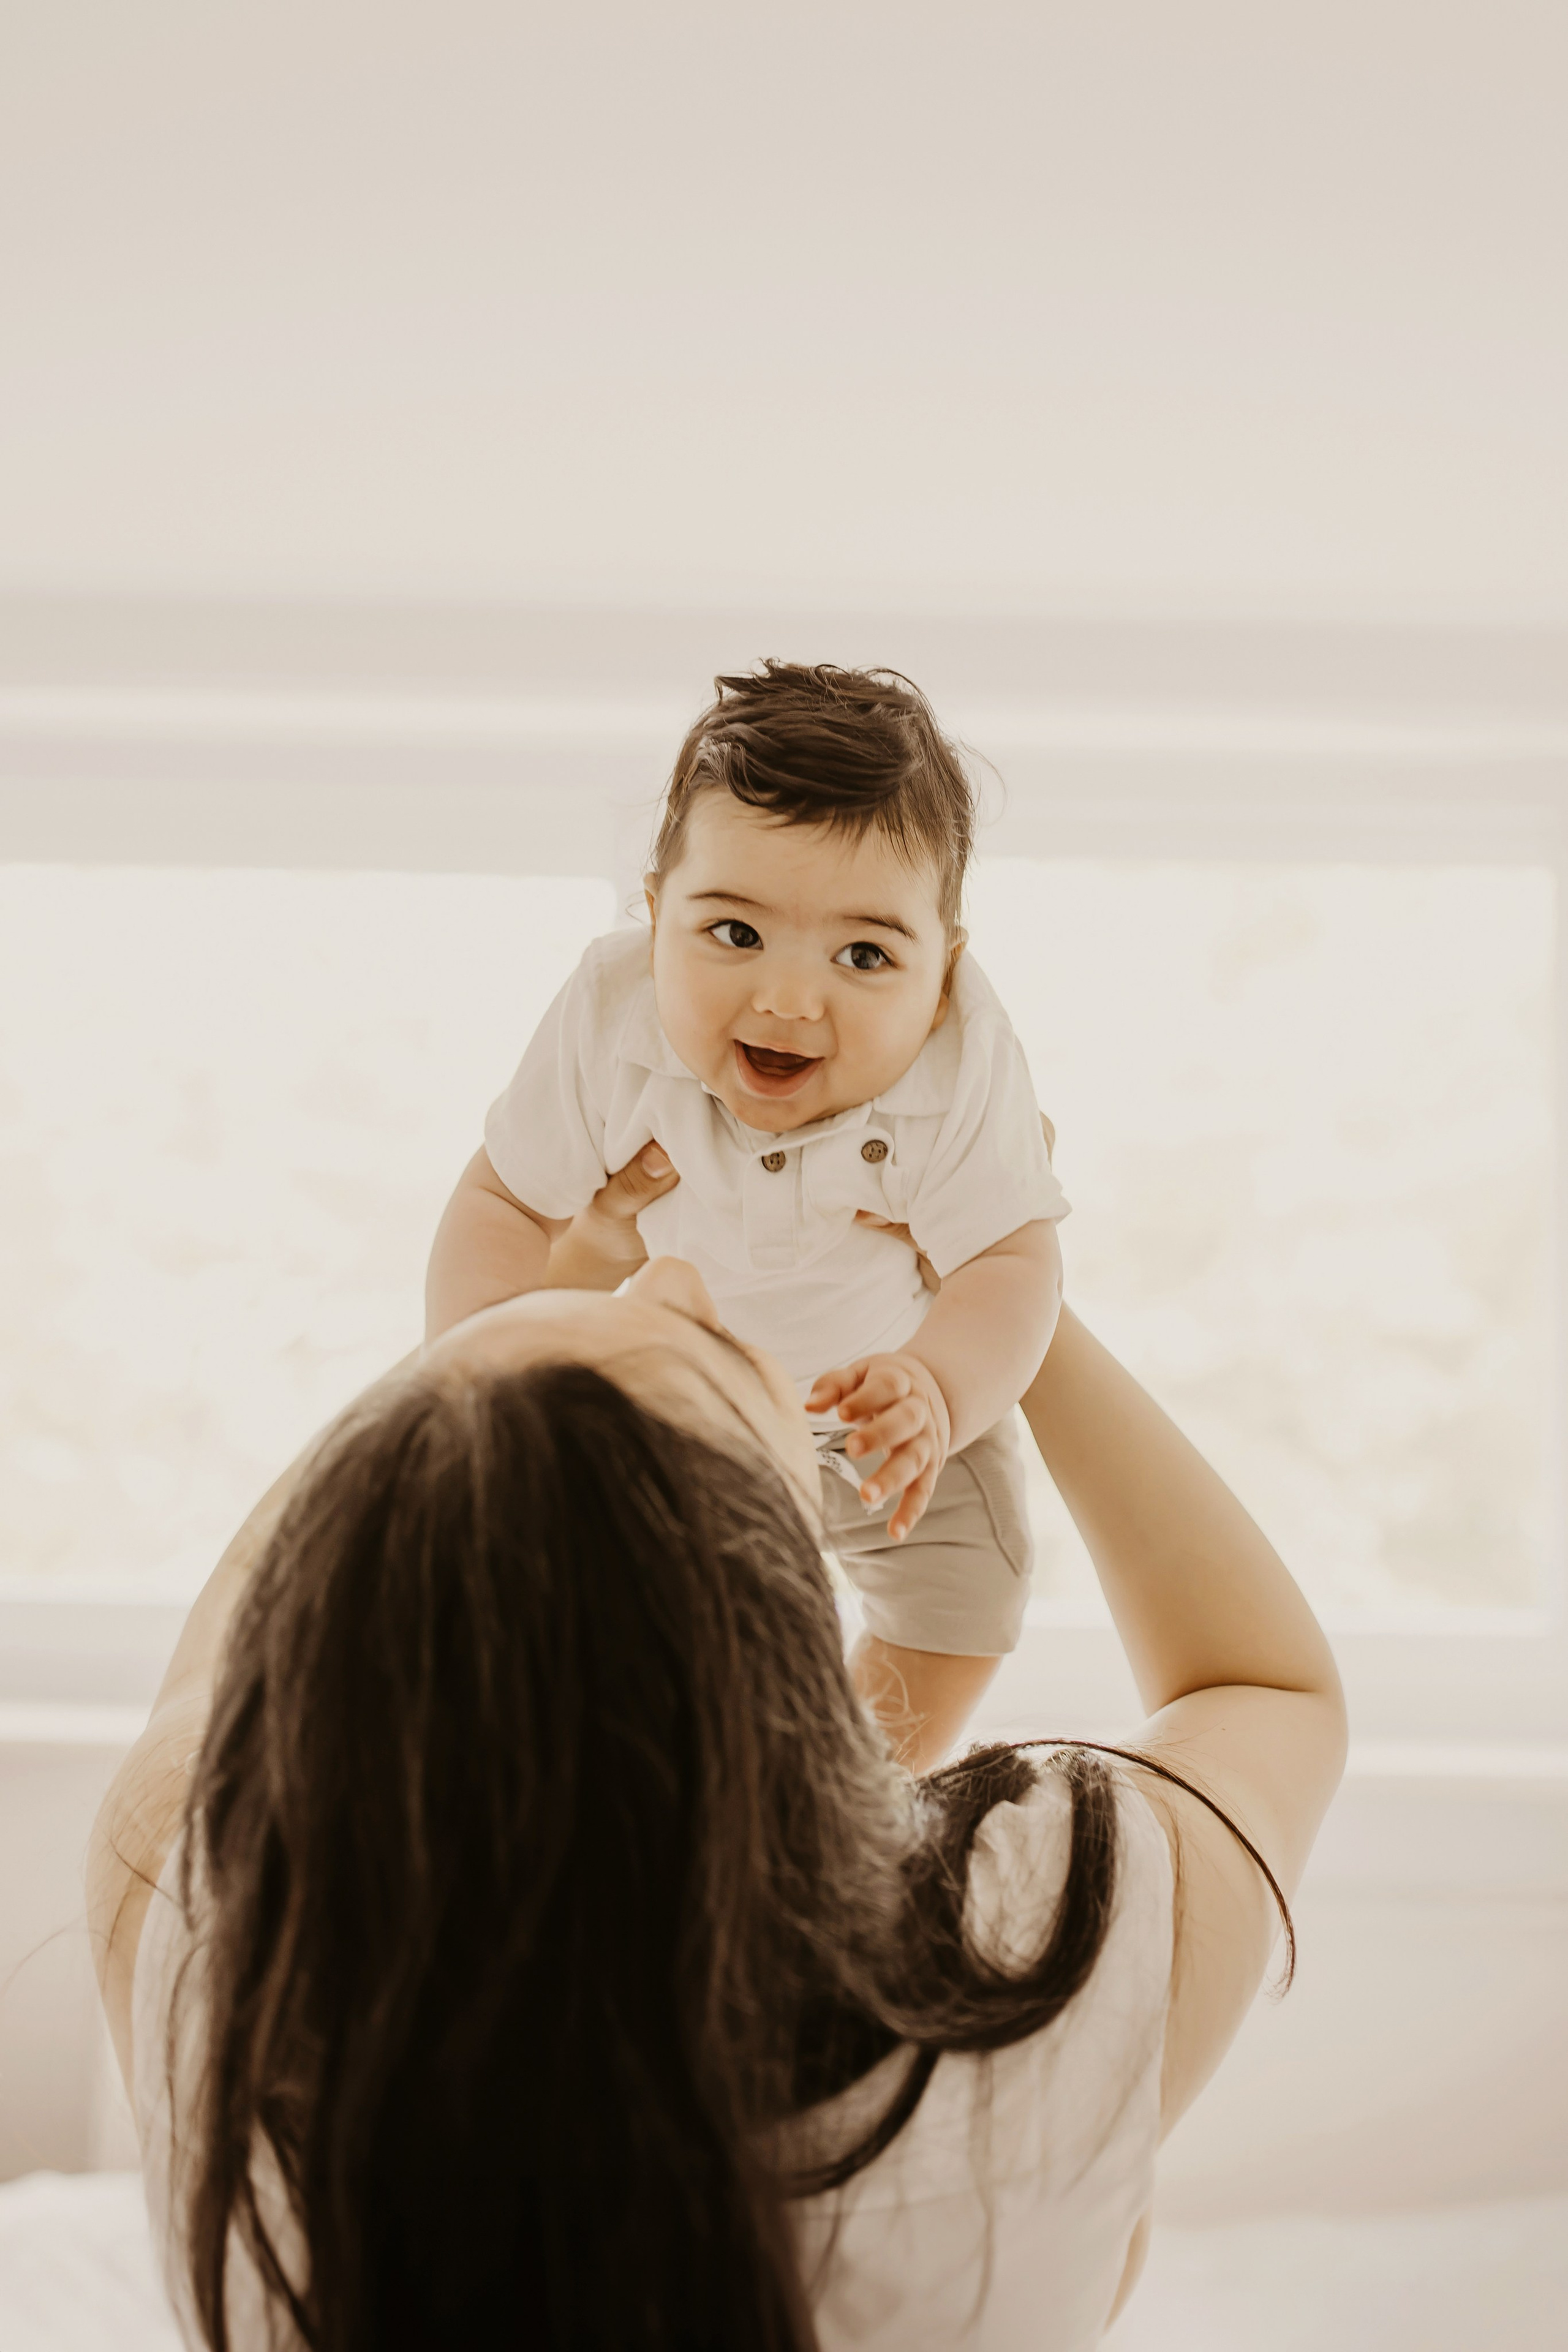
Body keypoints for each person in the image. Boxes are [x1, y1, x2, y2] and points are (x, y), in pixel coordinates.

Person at [89, 1160, 1346, 2352]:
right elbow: (1261, 1686)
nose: (670, 1274)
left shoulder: (203, 1944)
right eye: (718, 1358)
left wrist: (498, 1353)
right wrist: (1004, 1281)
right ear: (772, 1619)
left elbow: (289, 1599)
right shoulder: (1031, 1969)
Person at [427, 662, 1068, 1770]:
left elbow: (1012, 1264)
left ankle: (857, 1791)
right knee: (598, 1597)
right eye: (733, 934)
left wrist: (938, 1387)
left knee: (969, 1598)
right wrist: (473, 1371)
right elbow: (501, 1200)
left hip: (891, 1424)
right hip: (681, 1413)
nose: (787, 1000)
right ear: (654, 917)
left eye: (865, 955)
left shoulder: (964, 1063)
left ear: (942, 974)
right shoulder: (610, 1022)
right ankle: (669, 1780)